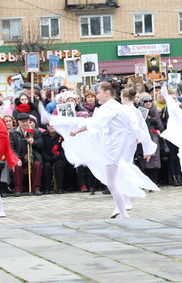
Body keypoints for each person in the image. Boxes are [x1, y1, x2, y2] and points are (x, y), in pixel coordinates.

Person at [47, 83, 158, 219]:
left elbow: (97, 122)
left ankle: (123, 212)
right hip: (113, 145)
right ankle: (122, 209)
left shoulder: (111, 107)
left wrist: (77, 130)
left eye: (98, 93)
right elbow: (135, 127)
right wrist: (146, 146)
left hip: (114, 148)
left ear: (106, 93)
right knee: (115, 179)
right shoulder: (115, 107)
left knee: (112, 181)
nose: (97, 96)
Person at [9, 113, 44, 196]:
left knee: (37, 164)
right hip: (20, 157)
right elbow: (11, 147)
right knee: (17, 165)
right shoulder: (13, 133)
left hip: (33, 156)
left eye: (26, 121)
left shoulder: (36, 132)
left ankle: (36, 188)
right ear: (19, 122)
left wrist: (34, 142)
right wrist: (17, 158)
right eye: (23, 122)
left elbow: (41, 145)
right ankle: (18, 189)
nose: (25, 124)